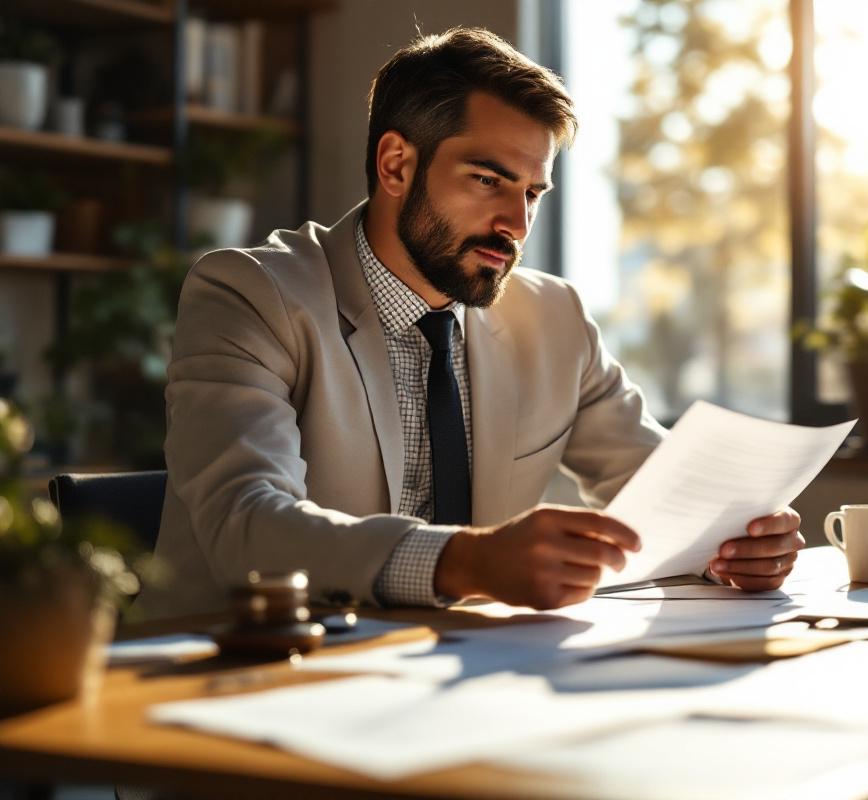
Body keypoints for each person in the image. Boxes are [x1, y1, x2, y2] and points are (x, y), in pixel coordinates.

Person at [139, 27, 804, 619]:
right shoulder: (250, 294)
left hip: (448, 674)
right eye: (489, 180)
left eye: (532, 192)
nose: (516, 225)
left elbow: (668, 495)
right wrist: (469, 561)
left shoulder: (555, 319)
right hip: (236, 674)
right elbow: (247, 528)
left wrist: (736, 540)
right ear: (397, 164)